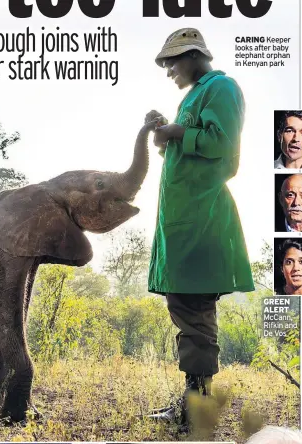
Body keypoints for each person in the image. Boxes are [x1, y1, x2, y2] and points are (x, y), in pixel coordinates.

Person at [146, 28, 255, 425]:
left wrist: (177, 132)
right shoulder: (194, 96)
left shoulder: (221, 87)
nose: (169, 70)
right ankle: (193, 405)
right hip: (184, 223)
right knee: (186, 308)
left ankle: (196, 413)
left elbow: (224, 150)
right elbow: (191, 156)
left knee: (195, 313)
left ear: (194, 55)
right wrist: (166, 137)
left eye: (172, 61)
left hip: (203, 221)